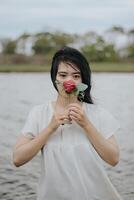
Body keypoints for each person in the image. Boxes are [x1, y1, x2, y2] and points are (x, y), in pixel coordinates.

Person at [13, 46, 122, 200]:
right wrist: (50, 128)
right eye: (63, 75)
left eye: (76, 76)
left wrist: (86, 124)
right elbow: (17, 159)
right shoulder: (38, 113)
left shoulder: (99, 114)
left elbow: (114, 159)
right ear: (54, 78)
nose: (69, 81)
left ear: (83, 80)